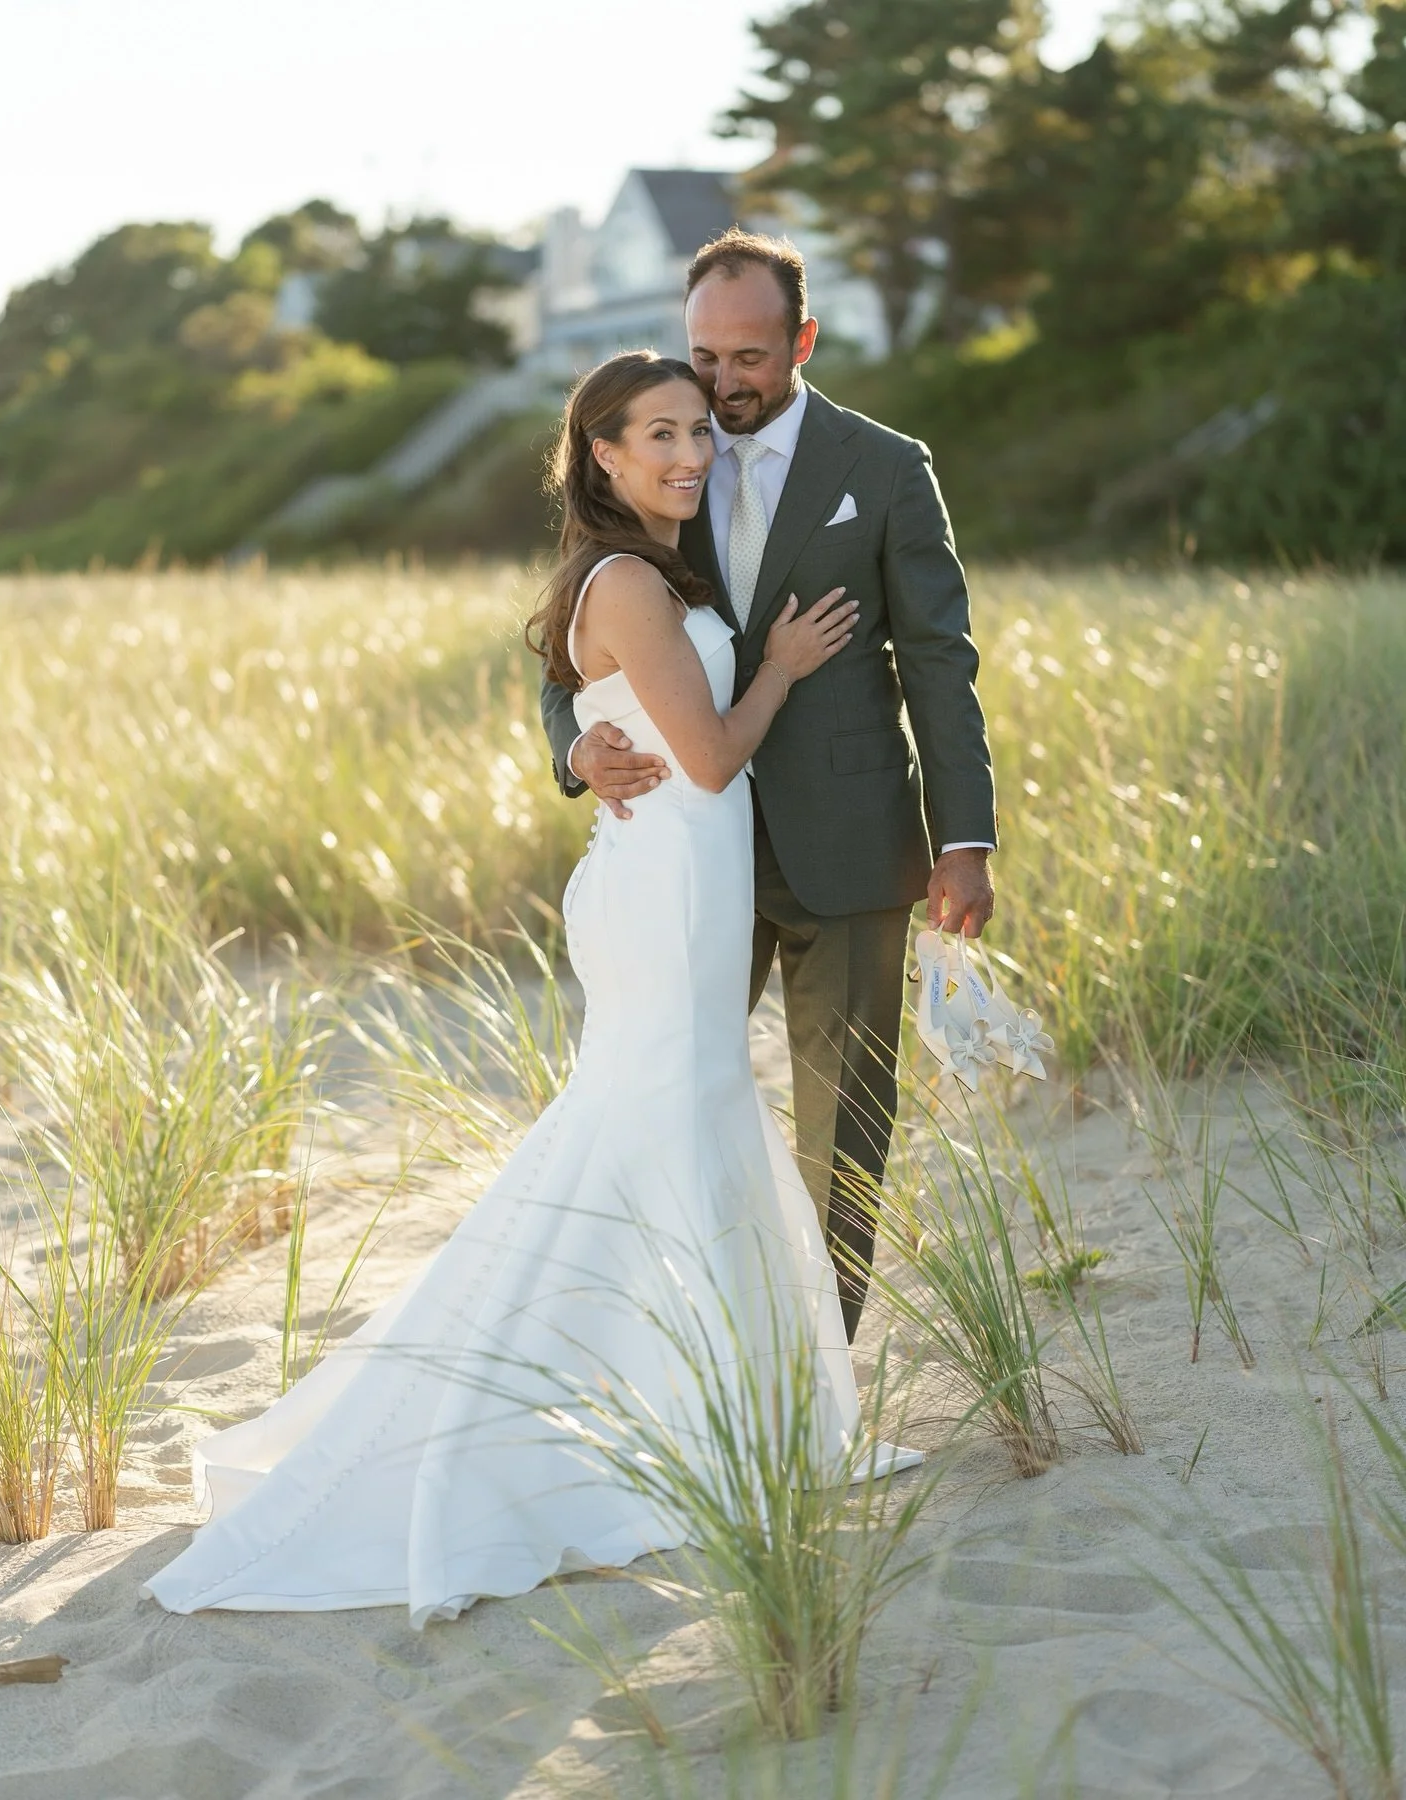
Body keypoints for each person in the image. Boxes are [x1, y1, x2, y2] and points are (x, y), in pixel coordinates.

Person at [143, 350, 916, 1628]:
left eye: (696, 433)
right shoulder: (625, 580)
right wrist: (775, 663)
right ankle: (608, 1419)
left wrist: (609, 725)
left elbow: (623, 708)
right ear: (600, 456)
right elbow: (713, 760)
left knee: (671, 1130)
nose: (687, 453)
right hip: (670, 890)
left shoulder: (646, 571)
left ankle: (704, 1411)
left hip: (675, 884)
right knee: (647, 1131)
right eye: (655, 435)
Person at [540, 231, 997, 1342]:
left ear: (801, 341)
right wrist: (572, 748)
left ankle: (822, 1368)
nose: (724, 383)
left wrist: (965, 837)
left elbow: (938, 658)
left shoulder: (887, 469)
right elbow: (566, 638)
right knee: (668, 1099)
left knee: (846, 1124)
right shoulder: (661, 455)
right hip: (692, 853)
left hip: (851, 841)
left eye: (749, 357)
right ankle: (653, 1342)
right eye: (706, 354)